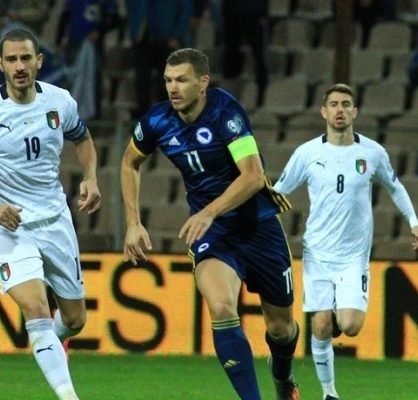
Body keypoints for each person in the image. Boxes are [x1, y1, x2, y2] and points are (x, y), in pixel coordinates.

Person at [121, 48, 300, 400]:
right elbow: (129, 163)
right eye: (169, 81)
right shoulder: (156, 121)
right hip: (214, 234)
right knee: (220, 306)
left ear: (203, 83)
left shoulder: (224, 111)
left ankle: (282, 377)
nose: (173, 88)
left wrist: (209, 211)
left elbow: (252, 176)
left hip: (257, 225)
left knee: (280, 329)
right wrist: (132, 222)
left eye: (182, 80)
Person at [0, 28, 101, 400]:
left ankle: (48, 348)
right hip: (10, 227)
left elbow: (83, 139)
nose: (20, 66)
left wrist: (90, 177)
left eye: (26, 58)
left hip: (56, 220)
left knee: (74, 320)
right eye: (12, 59)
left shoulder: (60, 102)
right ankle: (67, 394)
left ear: (39, 61)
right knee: (36, 307)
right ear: (1, 65)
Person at [273, 83, 418, 400]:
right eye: (333, 104)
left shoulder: (371, 153)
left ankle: (331, 316)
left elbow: (395, 187)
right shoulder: (307, 153)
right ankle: (330, 393)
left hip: (353, 256)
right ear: (323, 112)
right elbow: (279, 192)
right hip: (317, 252)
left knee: (351, 325)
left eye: (346, 104)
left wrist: (414, 223)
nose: (340, 110)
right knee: (321, 329)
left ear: (355, 112)